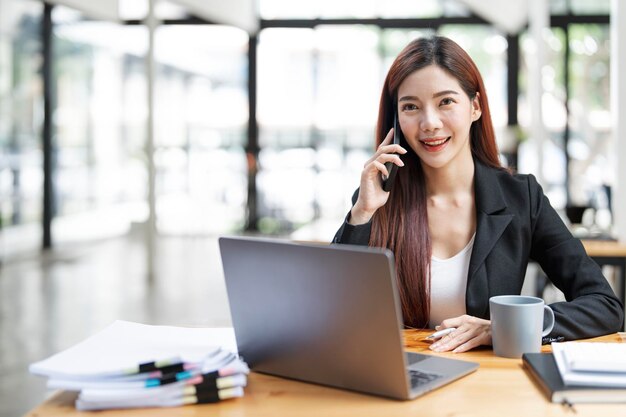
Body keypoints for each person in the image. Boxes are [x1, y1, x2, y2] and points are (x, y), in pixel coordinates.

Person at [332, 36, 623, 353]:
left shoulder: (521, 197)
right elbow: (330, 309)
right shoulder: (378, 198)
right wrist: (362, 214)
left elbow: (604, 306)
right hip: (400, 376)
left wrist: (504, 326)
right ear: (397, 120)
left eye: (445, 102)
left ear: (475, 107)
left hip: (489, 381)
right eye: (411, 106)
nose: (429, 122)